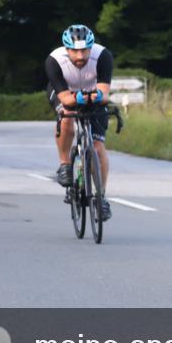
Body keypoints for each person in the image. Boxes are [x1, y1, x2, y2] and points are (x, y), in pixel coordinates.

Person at [45, 24, 114, 221]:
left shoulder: (103, 56)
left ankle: (101, 198)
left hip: (93, 94)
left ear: (91, 48)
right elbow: (66, 99)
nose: (80, 56)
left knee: (98, 147)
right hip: (64, 92)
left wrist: (92, 98)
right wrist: (79, 99)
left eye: (85, 50)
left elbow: (103, 95)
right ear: (67, 49)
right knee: (67, 112)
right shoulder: (54, 60)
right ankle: (65, 164)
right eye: (75, 51)